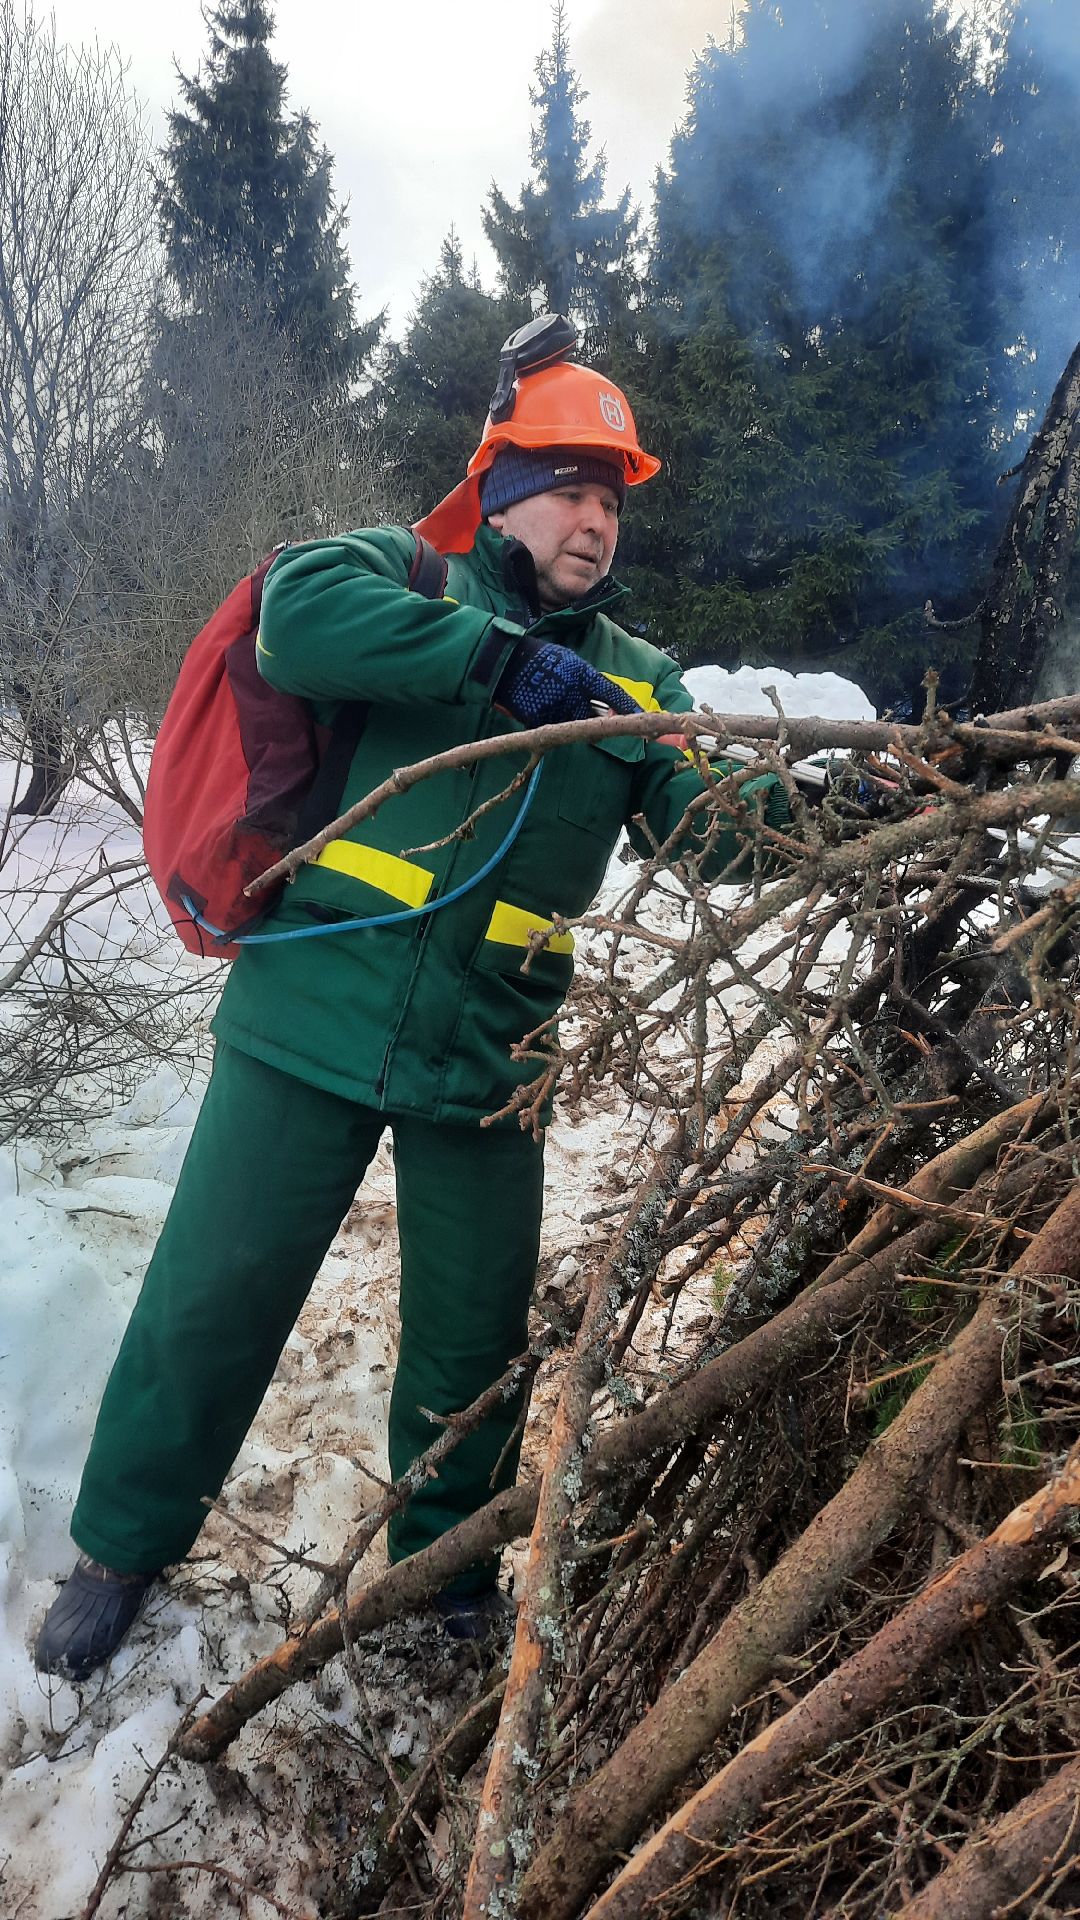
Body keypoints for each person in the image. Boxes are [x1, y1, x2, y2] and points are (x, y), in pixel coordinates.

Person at [35, 318, 788, 1678]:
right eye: (569, 488)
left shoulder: (638, 681)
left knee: (472, 1343)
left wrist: (822, 805)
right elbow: (292, 614)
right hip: (307, 1016)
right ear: (502, 490)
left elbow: (717, 823)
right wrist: (487, 663)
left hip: (490, 1054)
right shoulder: (408, 576)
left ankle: (443, 1583)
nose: (596, 521)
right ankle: (120, 1549)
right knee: (210, 1298)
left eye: (613, 500)